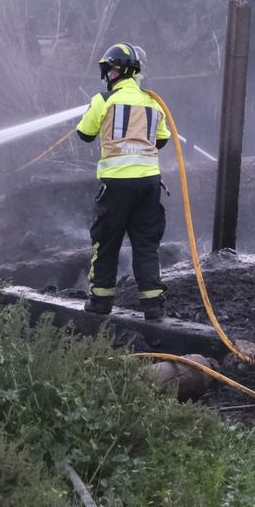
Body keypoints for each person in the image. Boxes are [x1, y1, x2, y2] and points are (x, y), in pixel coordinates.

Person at [76, 43, 171, 320]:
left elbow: (84, 133)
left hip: (116, 187)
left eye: (108, 69)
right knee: (146, 245)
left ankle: (101, 302)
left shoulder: (103, 100)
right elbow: (162, 139)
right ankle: (153, 306)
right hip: (149, 186)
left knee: (106, 243)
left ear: (116, 71)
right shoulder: (153, 102)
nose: (106, 75)